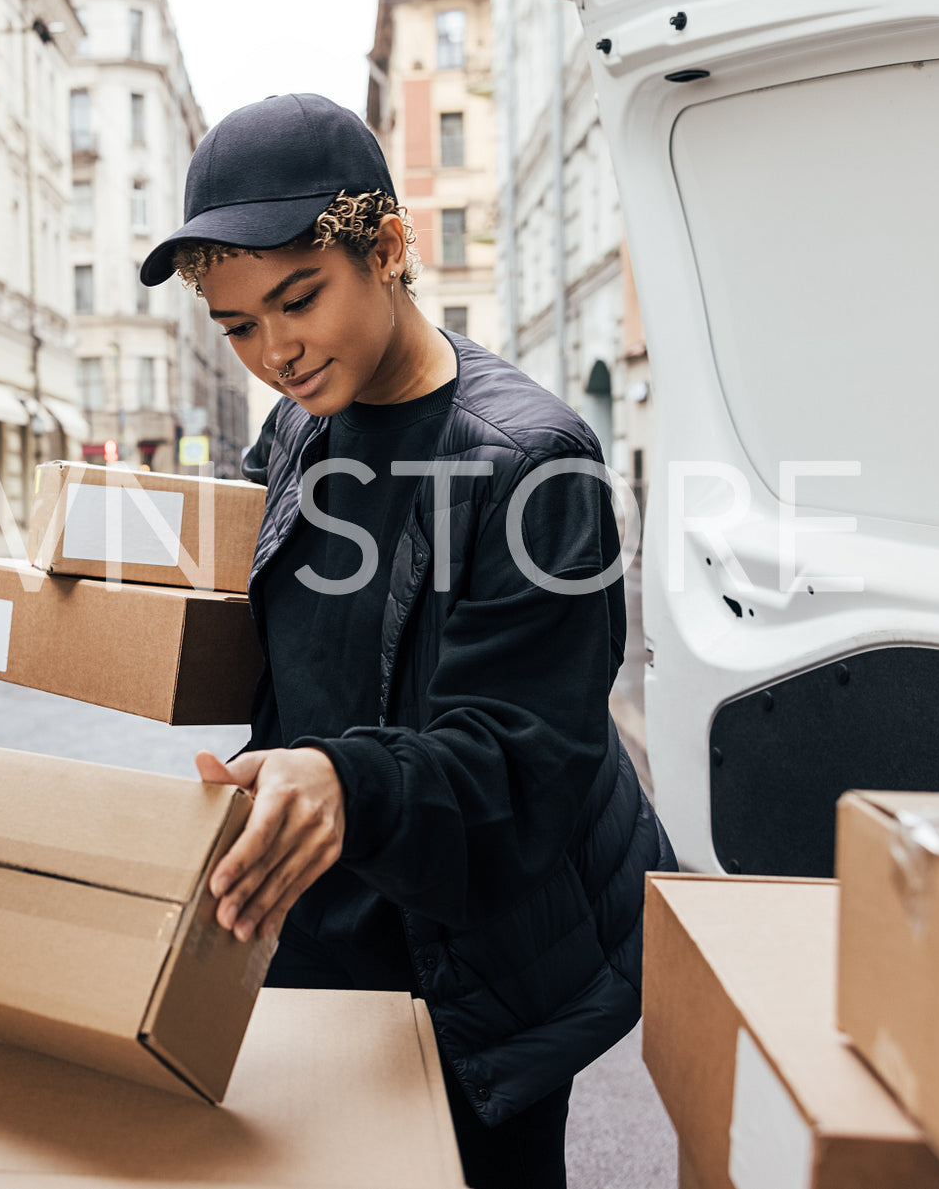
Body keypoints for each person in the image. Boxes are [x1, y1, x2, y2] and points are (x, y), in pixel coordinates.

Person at [139, 93, 675, 1189]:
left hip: (483, 953)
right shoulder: (297, 426)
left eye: (297, 299)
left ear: (385, 248)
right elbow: (276, 624)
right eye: (237, 326)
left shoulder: (532, 462)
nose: (275, 351)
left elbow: (519, 760)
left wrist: (344, 779)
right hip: (323, 912)